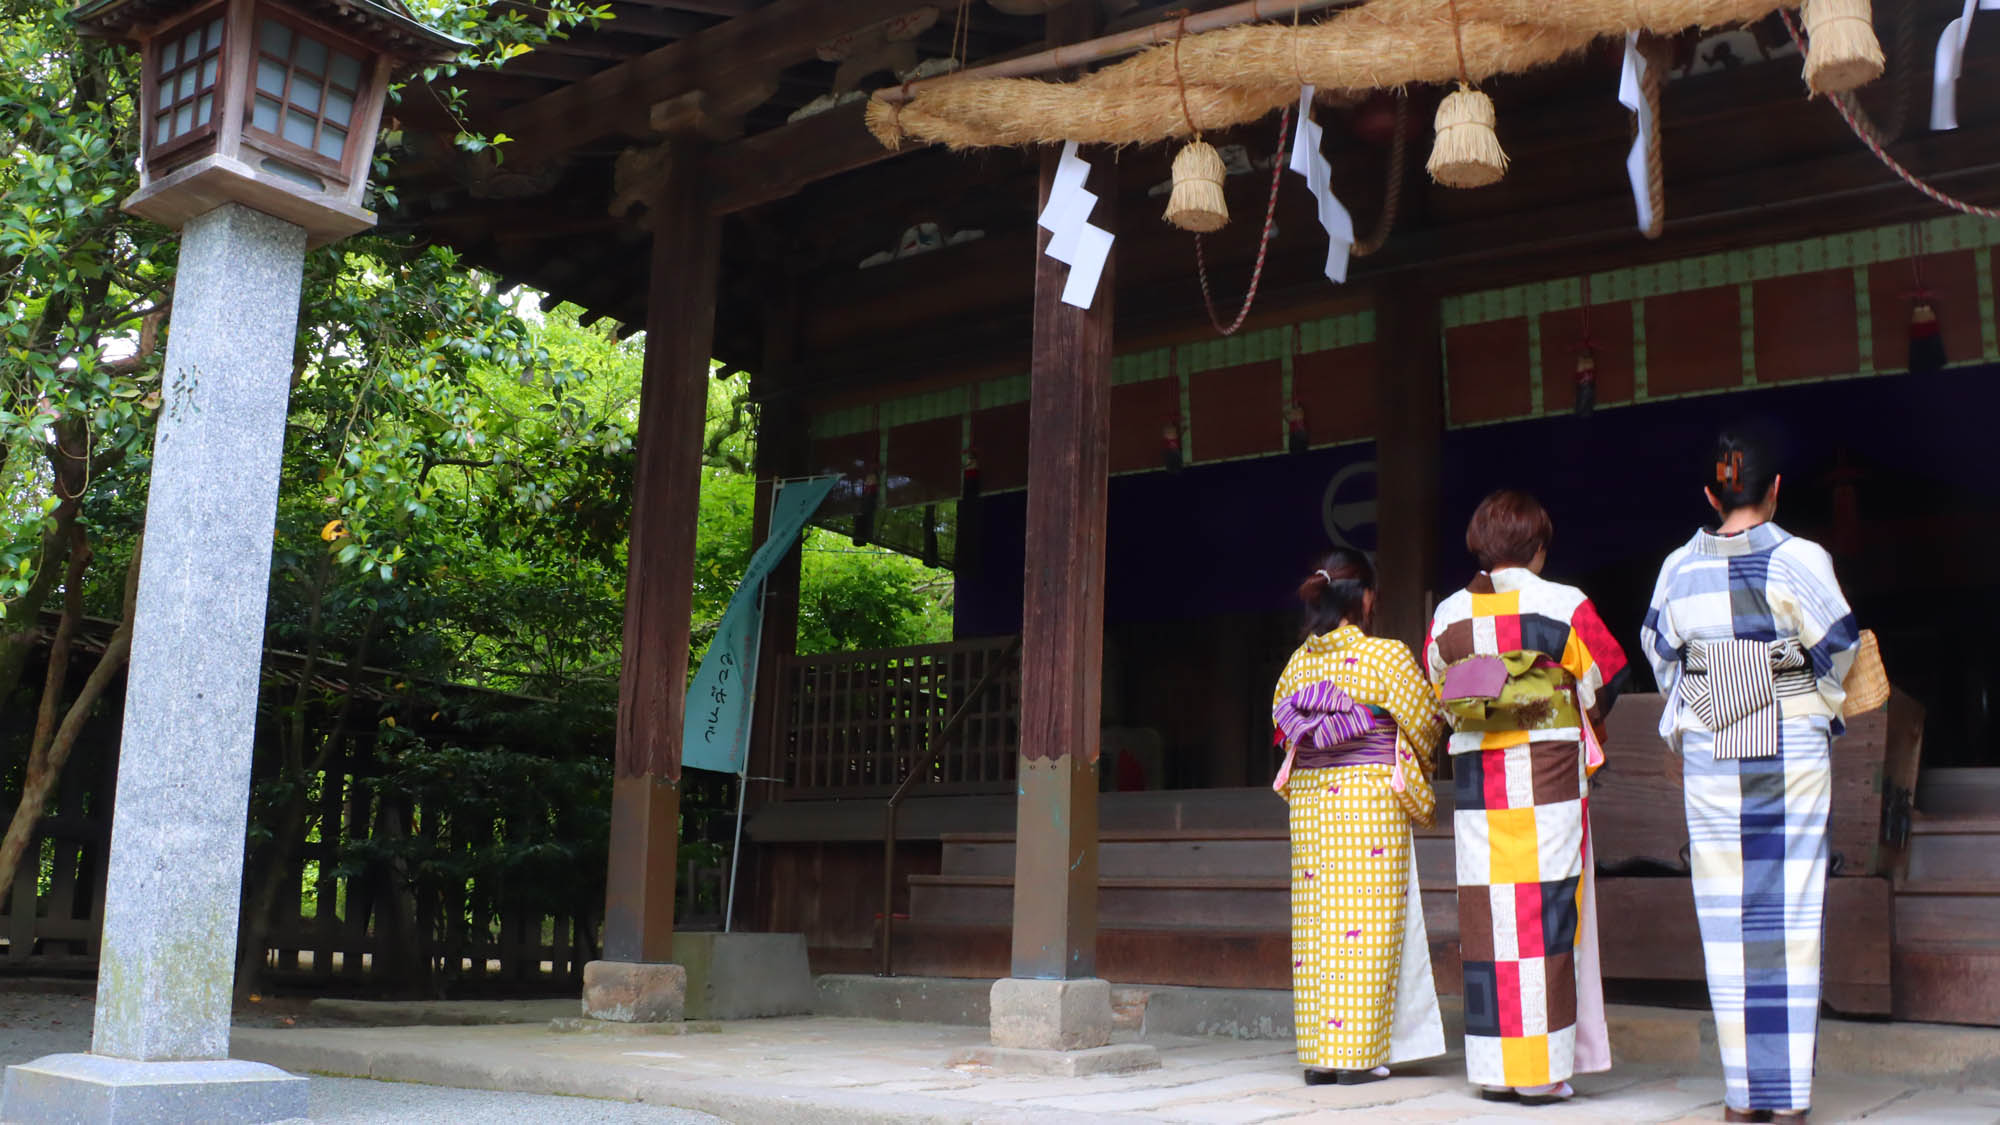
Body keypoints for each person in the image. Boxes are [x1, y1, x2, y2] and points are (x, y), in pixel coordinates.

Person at [1641, 431, 1860, 1125]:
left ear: (1712, 494)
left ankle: (1743, 1098)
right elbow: (1841, 648)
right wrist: (1777, 679)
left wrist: (1721, 688)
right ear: (1776, 488)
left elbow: (1661, 652)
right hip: (1789, 752)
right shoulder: (1801, 559)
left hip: (1713, 755)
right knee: (1789, 914)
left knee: (1724, 913)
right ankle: (1786, 1097)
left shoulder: (1678, 567)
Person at [1426, 490, 1627, 1104]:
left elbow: (1441, 688)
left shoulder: (1450, 614)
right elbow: (1609, 674)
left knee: (1488, 915)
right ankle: (1541, 1071)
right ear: (1538, 548)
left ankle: (1492, 1068)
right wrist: (1575, 711)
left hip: (1480, 777)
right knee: (1547, 910)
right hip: (1548, 773)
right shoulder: (1565, 603)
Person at [1270, 548, 1447, 1086]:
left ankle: (1320, 1054)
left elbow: (1283, 726)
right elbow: (1426, 723)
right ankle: (1358, 1056)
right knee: (1367, 925)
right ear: (1365, 598)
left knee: (1319, 923)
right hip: (1367, 802)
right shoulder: (1386, 656)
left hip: (1311, 802)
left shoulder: (1297, 664)